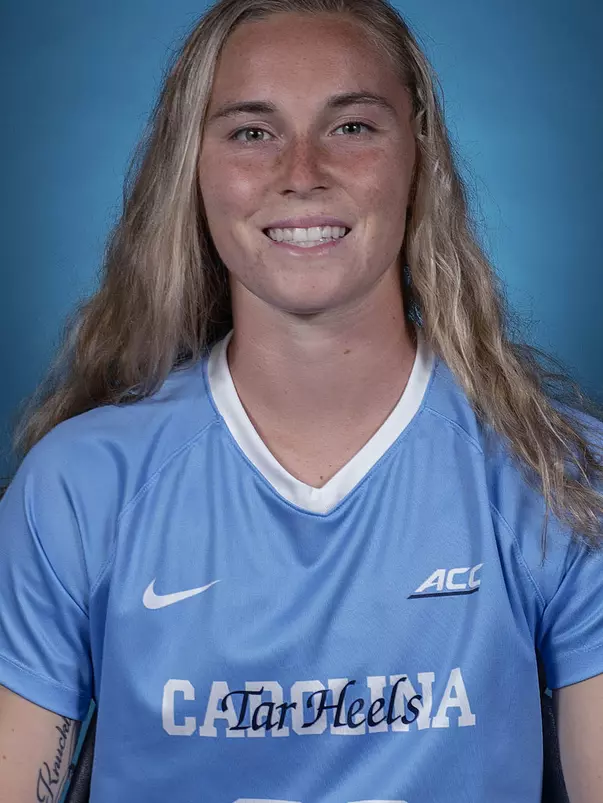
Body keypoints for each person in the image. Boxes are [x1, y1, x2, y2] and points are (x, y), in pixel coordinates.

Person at [0, 0, 602, 800]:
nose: (301, 171)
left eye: (351, 126)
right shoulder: (80, 485)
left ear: (418, 152)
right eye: (253, 131)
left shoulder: (556, 474)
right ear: (194, 165)